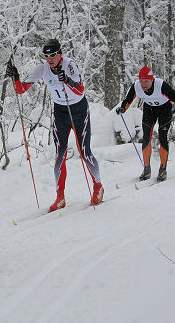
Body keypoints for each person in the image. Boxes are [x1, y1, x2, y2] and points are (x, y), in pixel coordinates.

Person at [6, 39, 104, 212]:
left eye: (53, 55)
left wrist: (67, 80)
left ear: (60, 54)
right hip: (60, 112)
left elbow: (80, 90)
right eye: (46, 56)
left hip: (79, 110)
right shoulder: (42, 68)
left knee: (84, 152)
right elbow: (21, 89)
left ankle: (98, 187)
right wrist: (15, 76)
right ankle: (60, 197)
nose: (50, 59)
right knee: (60, 154)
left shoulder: (70, 65)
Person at [116, 66, 175, 182]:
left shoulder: (161, 85)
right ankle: (146, 169)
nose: (143, 84)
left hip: (164, 110)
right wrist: (122, 108)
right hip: (149, 110)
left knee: (162, 138)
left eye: (146, 81)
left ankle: (163, 169)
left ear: (152, 79)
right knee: (146, 137)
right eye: (142, 81)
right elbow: (128, 100)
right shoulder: (136, 86)